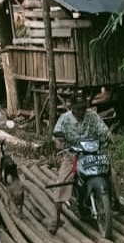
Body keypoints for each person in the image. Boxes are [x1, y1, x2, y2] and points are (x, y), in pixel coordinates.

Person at [50, 97, 119, 230]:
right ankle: (56, 218)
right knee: (62, 182)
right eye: (78, 109)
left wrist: (109, 136)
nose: (82, 112)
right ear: (72, 108)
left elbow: (102, 129)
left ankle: (117, 202)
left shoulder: (92, 116)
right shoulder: (64, 119)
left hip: (93, 154)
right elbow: (56, 136)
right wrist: (59, 143)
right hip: (73, 156)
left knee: (112, 174)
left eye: (84, 108)